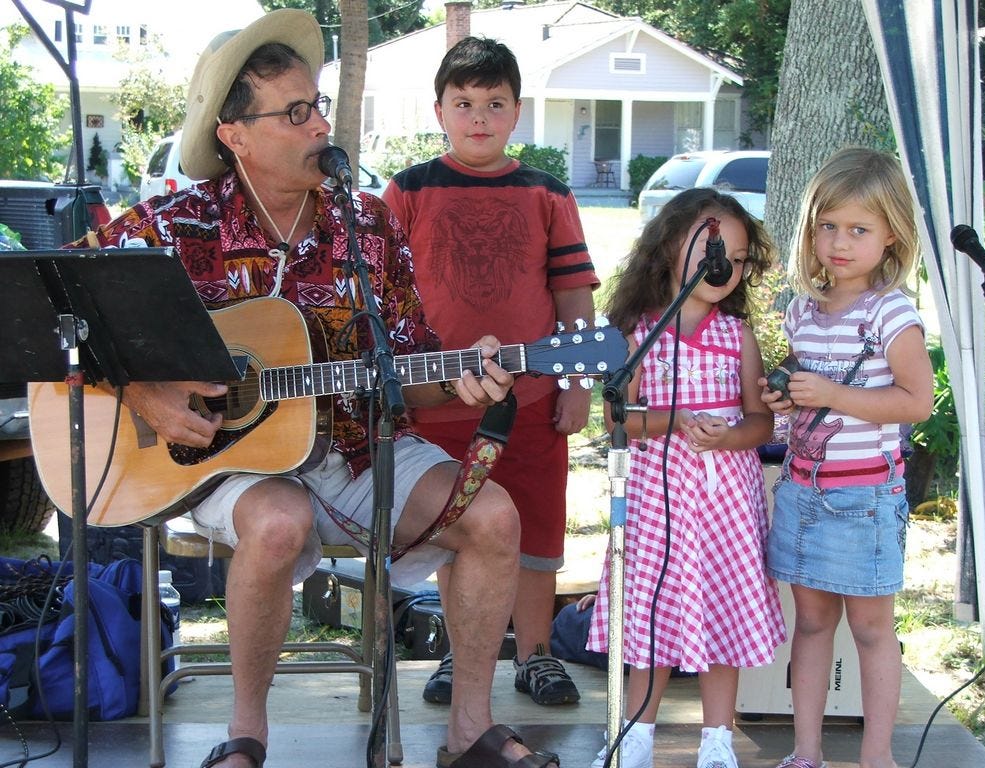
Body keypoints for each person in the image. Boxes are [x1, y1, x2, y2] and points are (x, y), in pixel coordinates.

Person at [71, 11, 559, 768]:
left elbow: (409, 369)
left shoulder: (364, 225)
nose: (320, 124)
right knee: (276, 521)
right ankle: (246, 735)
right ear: (236, 135)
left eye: (319, 104)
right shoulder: (178, 222)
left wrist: (462, 380)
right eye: (296, 112)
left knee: (494, 515)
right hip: (226, 457)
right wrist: (143, 392)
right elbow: (55, 304)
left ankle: (470, 731)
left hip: (360, 449)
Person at [382, 36, 599, 707]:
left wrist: (577, 385)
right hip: (434, 403)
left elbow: (573, 296)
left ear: (516, 111)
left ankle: (535, 656)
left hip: (531, 401)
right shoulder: (409, 190)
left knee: (534, 532)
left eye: (494, 103)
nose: (479, 117)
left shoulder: (547, 194)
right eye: (464, 103)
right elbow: (384, 293)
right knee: (460, 529)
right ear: (441, 110)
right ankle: (459, 653)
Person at [586, 188, 787, 768]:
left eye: (740, 256)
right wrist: (675, 420)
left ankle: (717, 740)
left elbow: (759, 421)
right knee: (651, 614)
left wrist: (728, 436)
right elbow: (618, 416)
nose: (725, 262)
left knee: (721, 615)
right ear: (670, 246)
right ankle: (636, 734)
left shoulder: (737, 336)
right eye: (711, 244)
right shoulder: (639, 332)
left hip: (725, 503)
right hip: (655, 499)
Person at [759, 147, 934, 768]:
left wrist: (831, 394)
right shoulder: (803, 310)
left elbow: (918, 401)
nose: (839, 242)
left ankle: (876, 756)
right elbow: (805, 405)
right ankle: (806, 752)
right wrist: (782, 399)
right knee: (809, 626)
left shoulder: (891, 312)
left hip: (863, 498)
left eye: (858, 230)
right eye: (827, 226)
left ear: (891, 236)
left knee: (870, 629)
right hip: (804, 490)